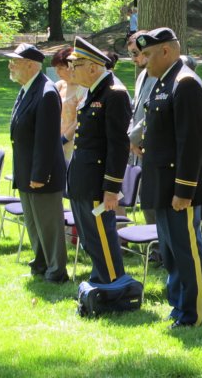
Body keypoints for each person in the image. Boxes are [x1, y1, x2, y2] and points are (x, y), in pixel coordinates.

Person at [136, 27, 202, 327]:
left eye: (148, 54)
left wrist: (184, 190)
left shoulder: (186, 84)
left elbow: (191, 142)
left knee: (186, 250)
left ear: (166, 51)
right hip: (162, 182)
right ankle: (178, 306)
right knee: (169, 251)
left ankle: (192, 314)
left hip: (181, 186)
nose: (143, 61)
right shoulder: (162, 82)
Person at [67, 37, 131, 284]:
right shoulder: (95, 91)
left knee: (102, 236)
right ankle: (101, 280)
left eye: (76, 65)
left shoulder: (114, 94)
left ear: (93, 67)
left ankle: (115, 285)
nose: (71, 70)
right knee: (90, 237)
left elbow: (118, 145)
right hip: (83, 179)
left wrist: (112, 188)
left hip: (98, 182)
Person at [7, 44, 69, 283]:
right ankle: (41, 264)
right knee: (34, 224)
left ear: (31, 65)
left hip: (42, 173)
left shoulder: (46, 93)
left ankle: (56, 271)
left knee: (49, 226)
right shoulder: (27, 89)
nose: (10, 66)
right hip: (26, 170)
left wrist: (39, 174)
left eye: (15, 62)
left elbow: (46, 140)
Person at [126, 31, 157, 225]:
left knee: (154, 198)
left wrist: (130, 139)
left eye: (136, 53)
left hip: (153, 147)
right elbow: (135, 111)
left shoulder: (159, 76)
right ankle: (153, 245)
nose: (134, 59)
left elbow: (150, 113)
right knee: (146, 197)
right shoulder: (142, 76)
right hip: (139, 147)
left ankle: (158, 246)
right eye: (131, 54)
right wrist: (131, 141)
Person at [51, 46, 86, 161]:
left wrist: (64, 140)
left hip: (71, 144)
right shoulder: (59, 85)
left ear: (71, 66)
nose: (57, 72)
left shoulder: (82, 88)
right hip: (55, 140)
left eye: (61, 68)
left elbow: (79, 120)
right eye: (55, 68)